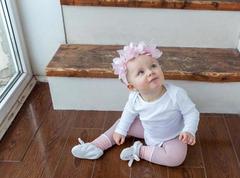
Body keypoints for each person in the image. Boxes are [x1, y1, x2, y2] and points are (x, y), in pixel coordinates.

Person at [72, 41, 200, 167]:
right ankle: (96, 146)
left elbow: (191, 113)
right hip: (147, 131)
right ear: (132, 87)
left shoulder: (176, 94)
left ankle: (139, 150)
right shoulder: (134, 98)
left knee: (175, 158)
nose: (150, 72)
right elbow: (128, 113)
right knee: (122, 123)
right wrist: (121, 130)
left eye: (153, 66)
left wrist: (189, 130)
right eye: (141, 72)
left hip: (173, 136)